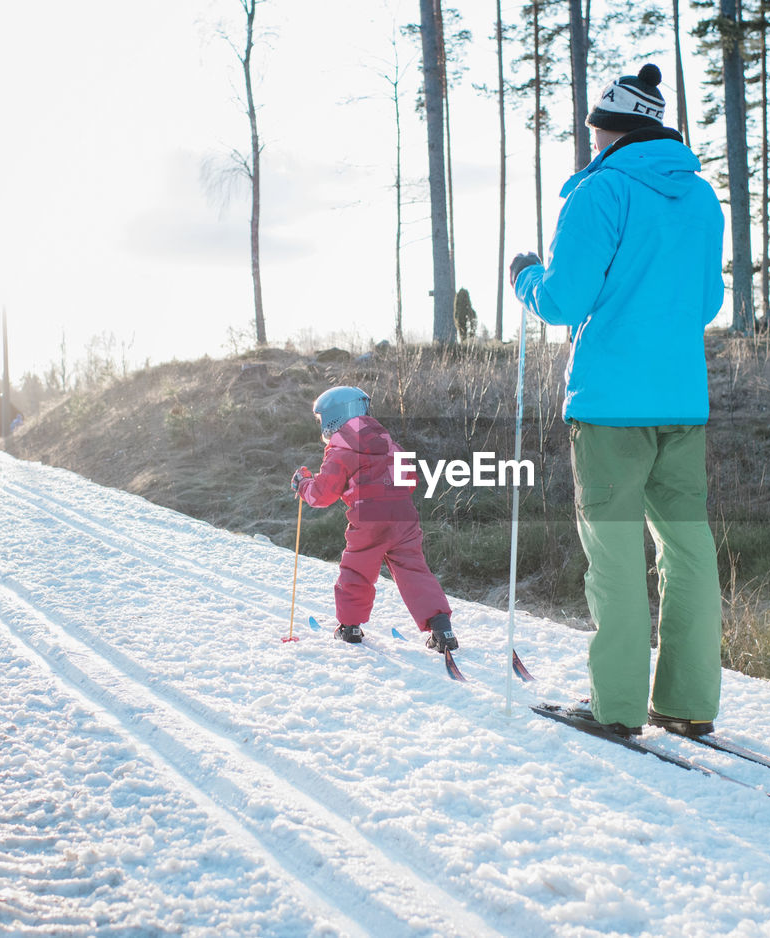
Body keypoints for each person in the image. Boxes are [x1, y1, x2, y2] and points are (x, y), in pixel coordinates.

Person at [509, 63, 724, 738]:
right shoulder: (700, 197)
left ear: (606, 131)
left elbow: (564, 299)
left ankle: (618, 707)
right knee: (688, 553)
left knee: (615, 555)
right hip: (683, 402)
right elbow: (709, 300)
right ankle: (688, 702)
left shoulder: (599, 192)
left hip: (609, 408)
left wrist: (525, 278)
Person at [291, 386, 457, 652]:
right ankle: (442, 628)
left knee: (357, 569)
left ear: (333, 418)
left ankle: (350, 627)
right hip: (404, 517)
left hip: (369, 519)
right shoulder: (388, 442)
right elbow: (410, 479)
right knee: (413, 570)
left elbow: (321, 495)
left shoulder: (340, 450)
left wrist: (303, 485)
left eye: (323, 421)